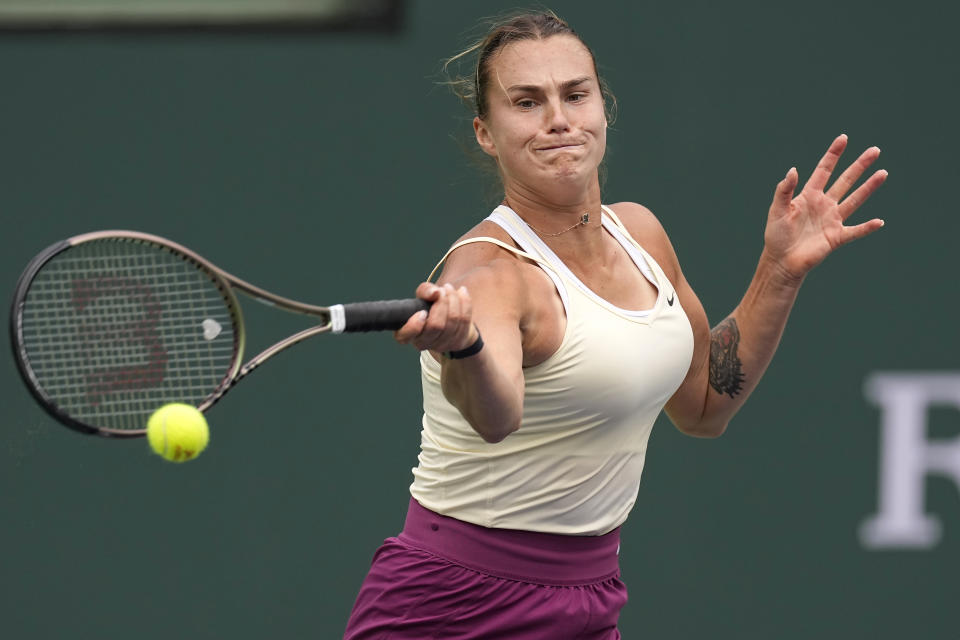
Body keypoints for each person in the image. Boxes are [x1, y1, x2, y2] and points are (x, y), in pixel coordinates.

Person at [343, 10, 886, 640]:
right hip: (449, 607)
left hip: (588, 601)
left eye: (576, 94)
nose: (558, 119)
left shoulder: (642, 235)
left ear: (604, 108)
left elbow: (706, 405)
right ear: (486, 133)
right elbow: (495, 419)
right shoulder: (489, 274)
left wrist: (780, 271)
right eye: (526, 102)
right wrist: (462, 346)